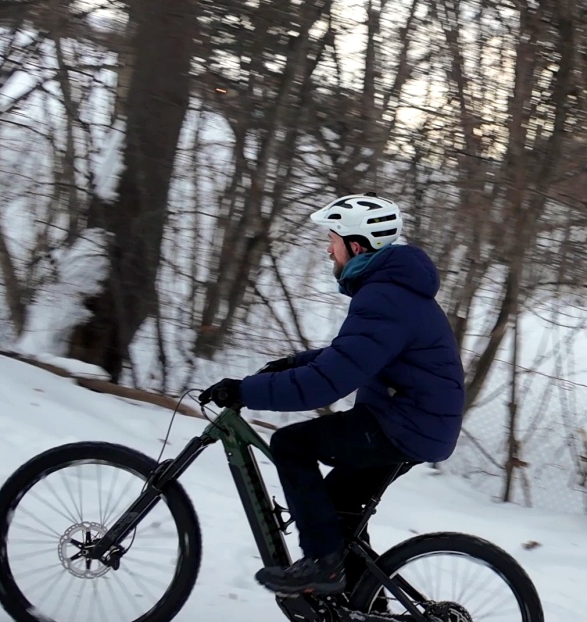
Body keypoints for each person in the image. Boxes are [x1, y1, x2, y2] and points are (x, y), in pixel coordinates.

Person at [199, 193, 465, 595]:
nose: (328, 249)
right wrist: (292, 363)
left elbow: (328, 382)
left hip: (404, 425)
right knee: (337, 512)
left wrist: (246, 390)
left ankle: (323, 568)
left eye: (333, 239)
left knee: (291, 444)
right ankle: (363, 614)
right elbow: (354, 353)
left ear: (356, 246)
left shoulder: (385, 296)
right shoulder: (391, 291)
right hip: (410, 421)